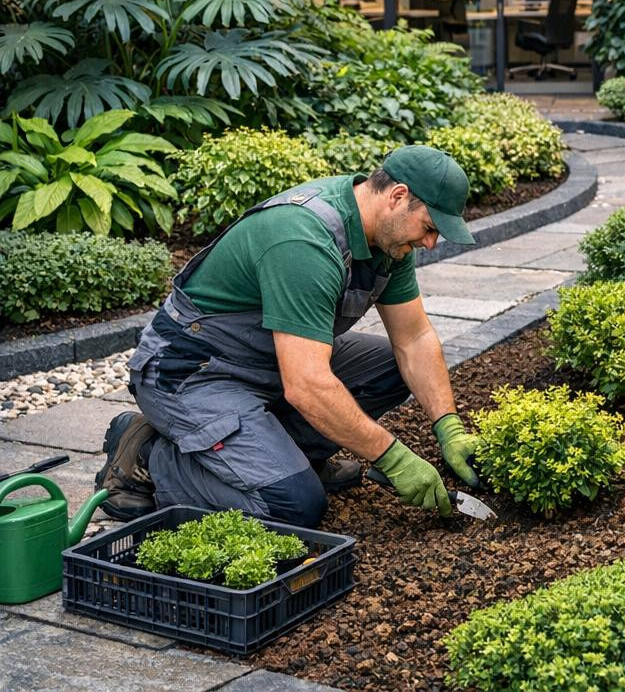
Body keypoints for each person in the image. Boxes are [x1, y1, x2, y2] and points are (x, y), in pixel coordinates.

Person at [95, 146, 483, 525]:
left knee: (391, 367)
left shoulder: (388, 240)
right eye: (430, 228)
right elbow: (306, 384)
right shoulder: (304, 240)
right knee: (292, 506)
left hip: (266, 362)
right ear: (398, 197)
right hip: (192, 373)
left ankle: (291, 457)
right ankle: (148, 454)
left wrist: (448, 426)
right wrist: (393, 458)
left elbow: (413, 339)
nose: (430, 243)